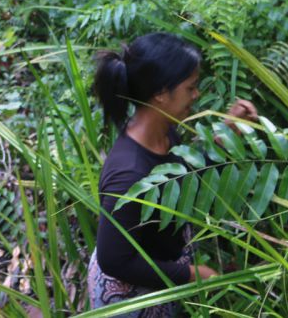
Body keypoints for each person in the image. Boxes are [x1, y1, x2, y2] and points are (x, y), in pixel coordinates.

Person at [88, 32, 258, 315]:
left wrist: (224, 137)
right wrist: (192, 275)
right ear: (160, 94)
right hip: (132, 299)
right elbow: (114, 261)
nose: (197, 95)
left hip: (159, 273)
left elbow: (177, 177)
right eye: (190, 88)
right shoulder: (128, 174)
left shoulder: (162, 131)